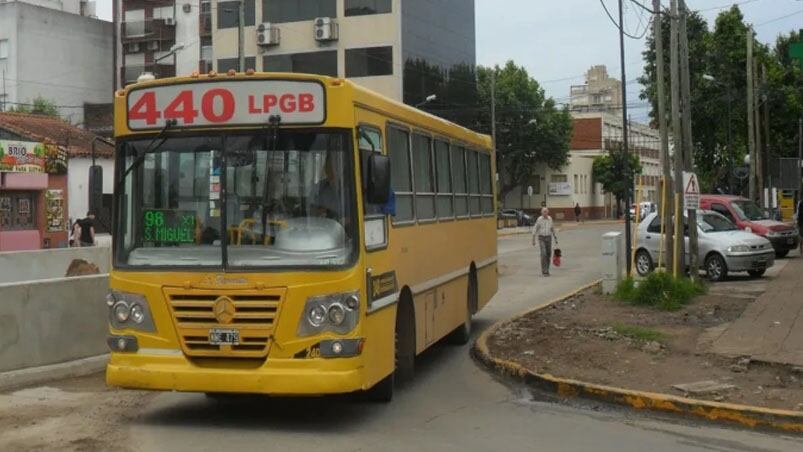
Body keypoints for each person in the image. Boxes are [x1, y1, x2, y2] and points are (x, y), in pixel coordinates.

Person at [532, 207, 558, 276]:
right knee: (543, 253)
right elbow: (535, 228)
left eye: (546, 212)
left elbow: (552, 228)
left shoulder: (550, 219)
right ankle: (544, 271)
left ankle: (547, 269)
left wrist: (555, 237)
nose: (545, 213)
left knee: (548, 254)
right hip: (541, 238)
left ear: (548, 212)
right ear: (541, 213)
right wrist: (533, 239)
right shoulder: (539, 219)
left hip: (549, 238)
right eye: (544, 212)